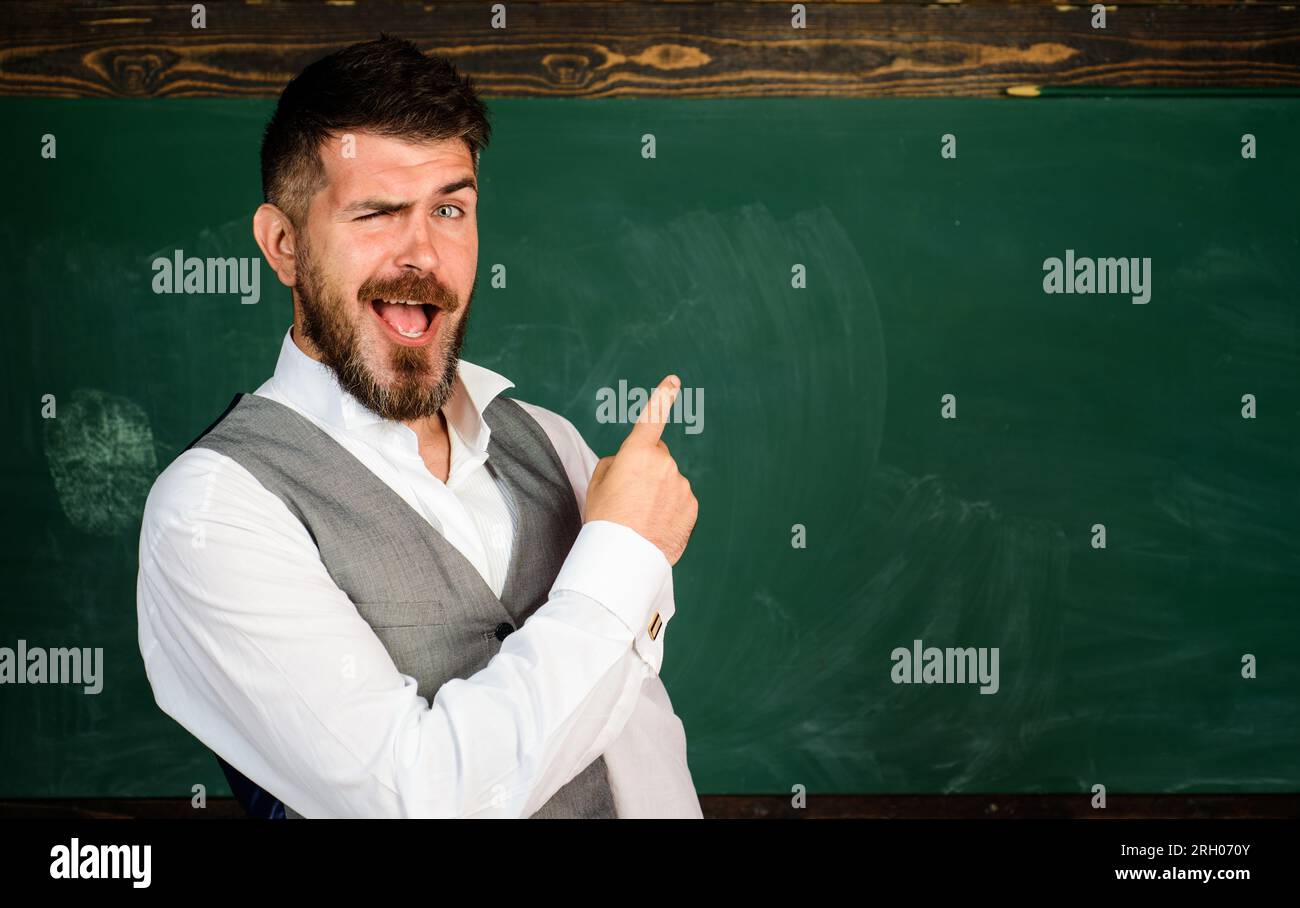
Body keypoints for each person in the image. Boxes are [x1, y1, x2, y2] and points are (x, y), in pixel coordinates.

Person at [135, 35, 701, 818]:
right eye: (376, 213)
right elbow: (415, 800)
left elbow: (643, 754)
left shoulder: (551, 441)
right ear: (283, 244)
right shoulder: (212, 509)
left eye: (449, 208)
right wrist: (624, 556)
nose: (423, 255)